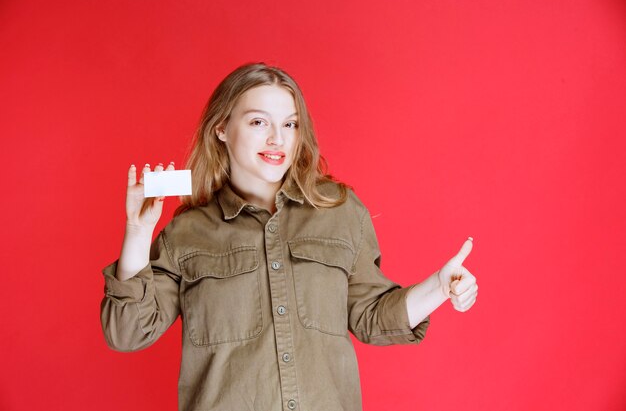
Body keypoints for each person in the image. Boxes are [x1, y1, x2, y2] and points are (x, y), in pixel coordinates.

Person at [100, 62, 478, 411]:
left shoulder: (341, 212)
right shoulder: (187, 234)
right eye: (258, 122)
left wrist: (438, 288)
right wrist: (137, 231)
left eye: (290, 124)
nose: (277, 139)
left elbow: (371, 316)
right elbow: (128, 333)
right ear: (221, 128)